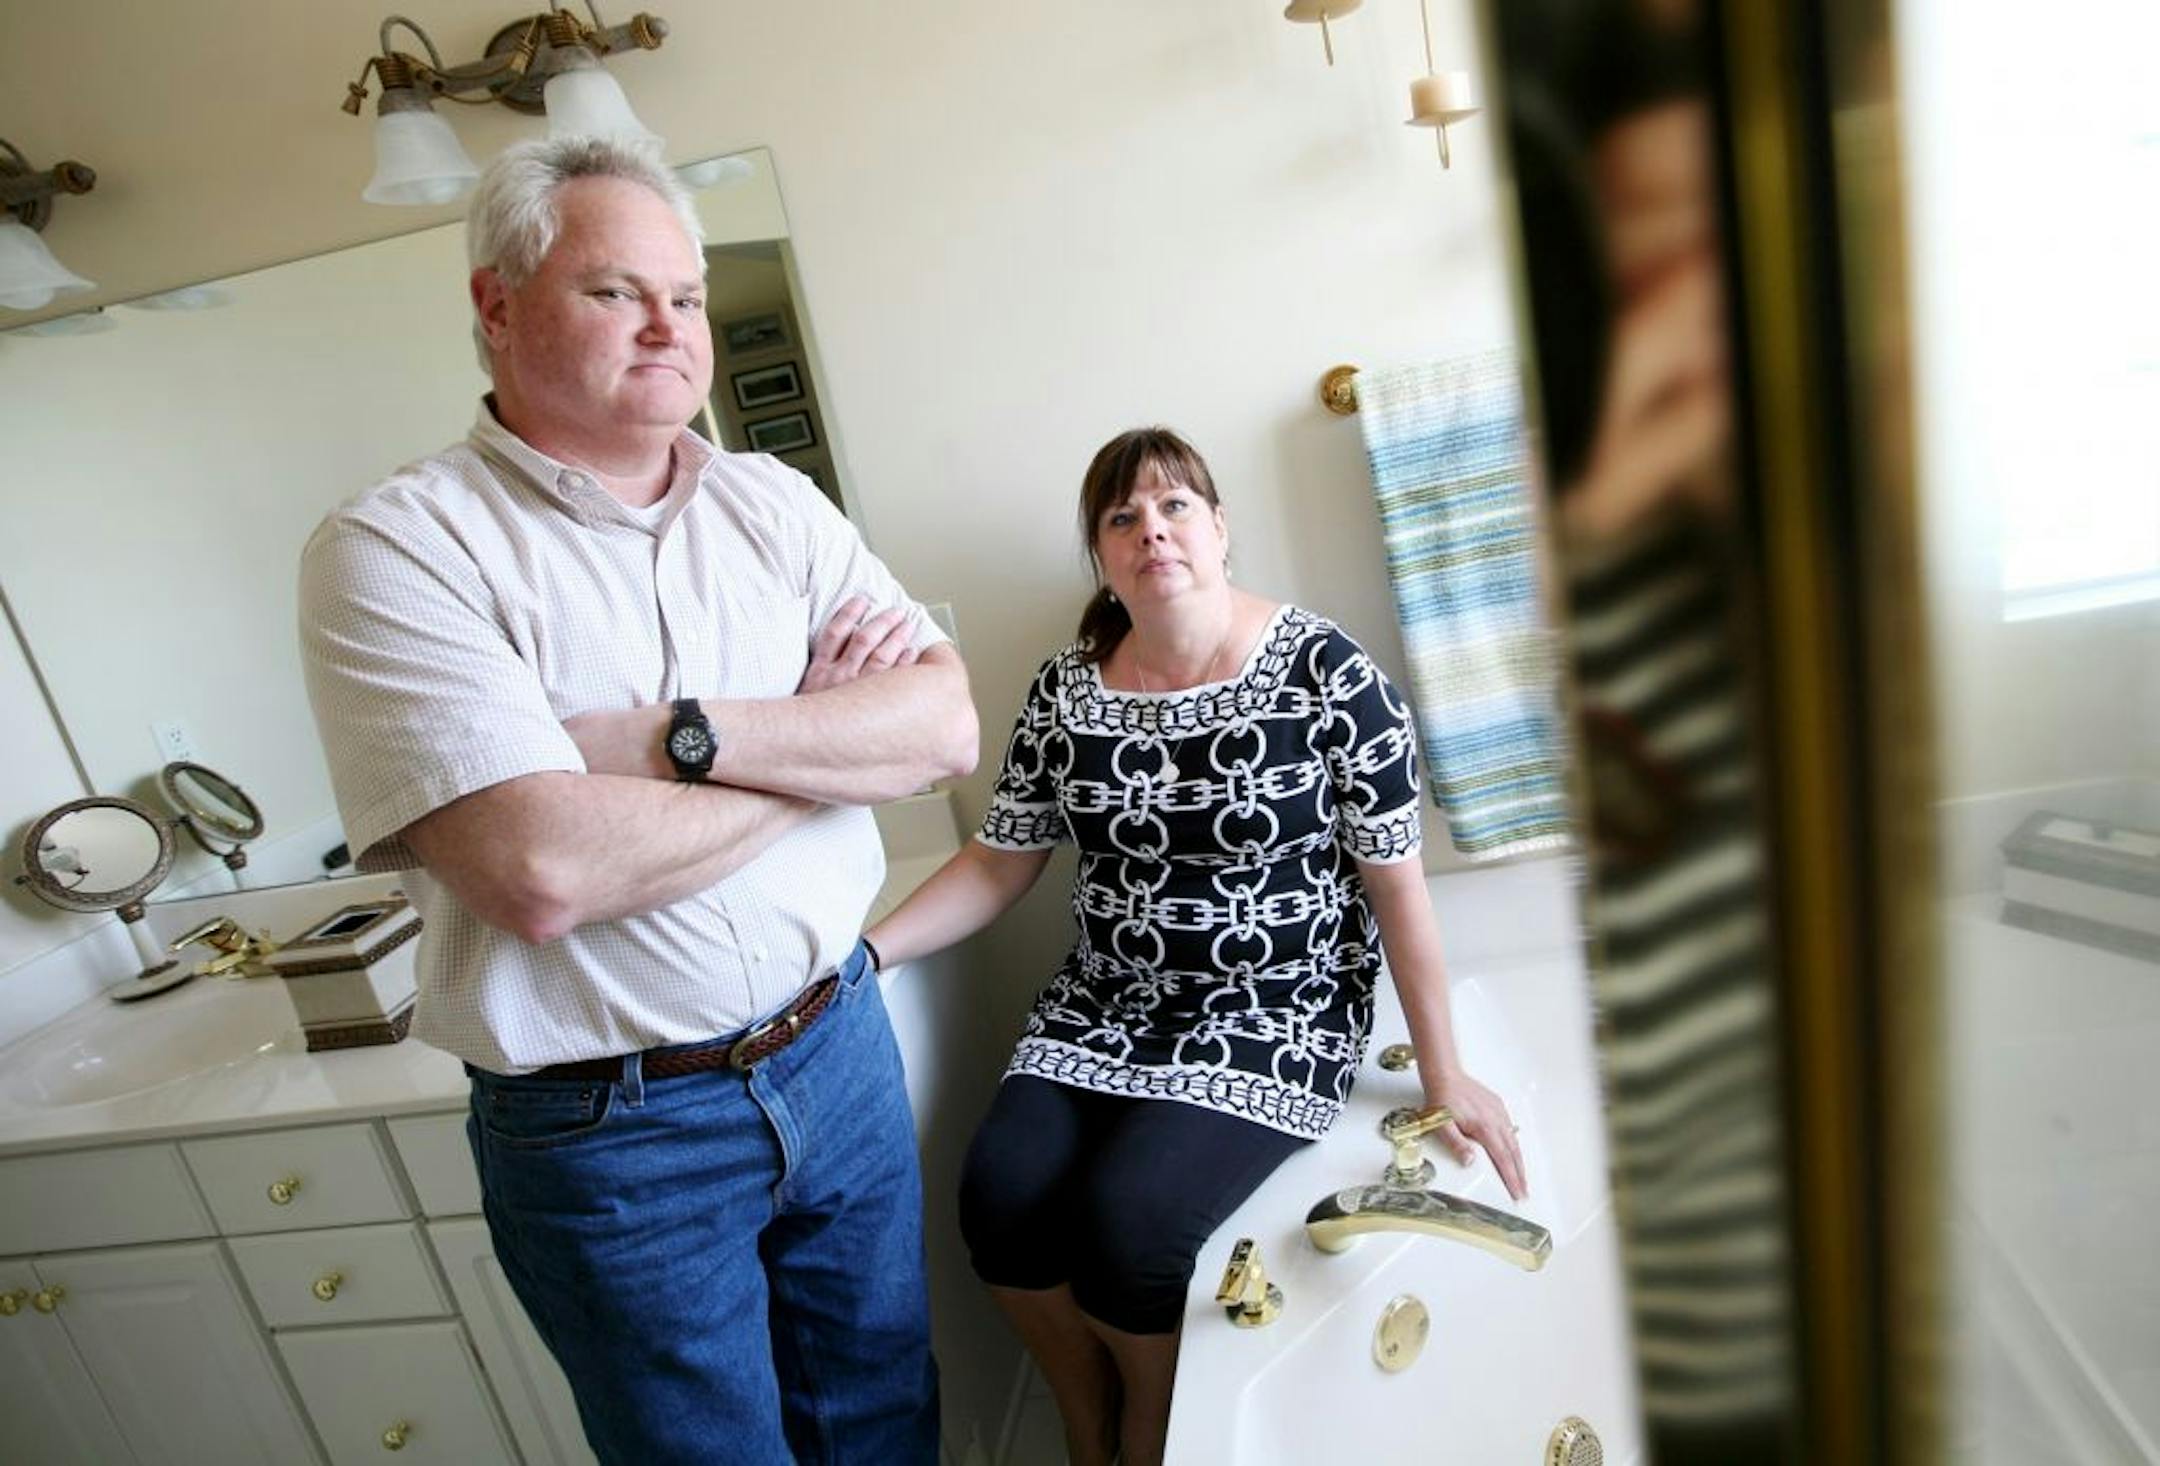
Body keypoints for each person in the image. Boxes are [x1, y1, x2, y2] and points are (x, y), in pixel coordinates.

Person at [297, 135, 976, 1466]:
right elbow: (540, 868)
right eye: (616, 290)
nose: (670, 325)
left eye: (685, 291)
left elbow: (943, 724)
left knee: (886, 1411)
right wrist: (819, 756)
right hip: (616, 1134)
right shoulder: (398, 549)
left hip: (835, 1043)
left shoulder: (773, 504)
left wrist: (672, 742)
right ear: (496, 305)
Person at [864, 427, 1527, 1466]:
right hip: (1105, 1007)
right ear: (1102, 555)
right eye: (1122, 517)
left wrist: (1444, 1069)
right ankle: (1085, 1410)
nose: (1152, 530)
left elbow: (1397, 884)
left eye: (1174, 506)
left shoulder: (1324, 672)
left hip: (1278, 1011)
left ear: (1220, 526)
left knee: (1130, 1224)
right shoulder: (1064, 691)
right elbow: (1002, 859)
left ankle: (1152, 1428)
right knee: (997, 1197)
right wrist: (867, 957)